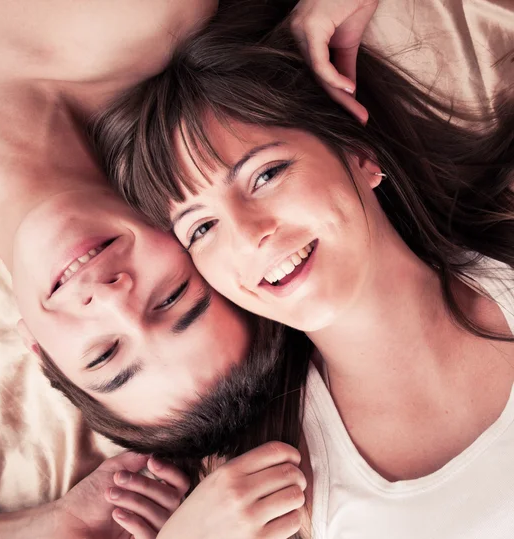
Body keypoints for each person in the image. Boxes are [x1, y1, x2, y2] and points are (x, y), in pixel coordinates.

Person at [0, 0, 380, 537]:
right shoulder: (138, 18)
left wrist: (40, 528)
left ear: (37, 350)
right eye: (170, 298)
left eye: (105, 353)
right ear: (193, 236)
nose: (112, 298)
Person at [91, 2, 514, 538]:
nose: (249, 236)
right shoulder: (275, 495)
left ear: (357, 152)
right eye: (201, 228)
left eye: (266, 174)